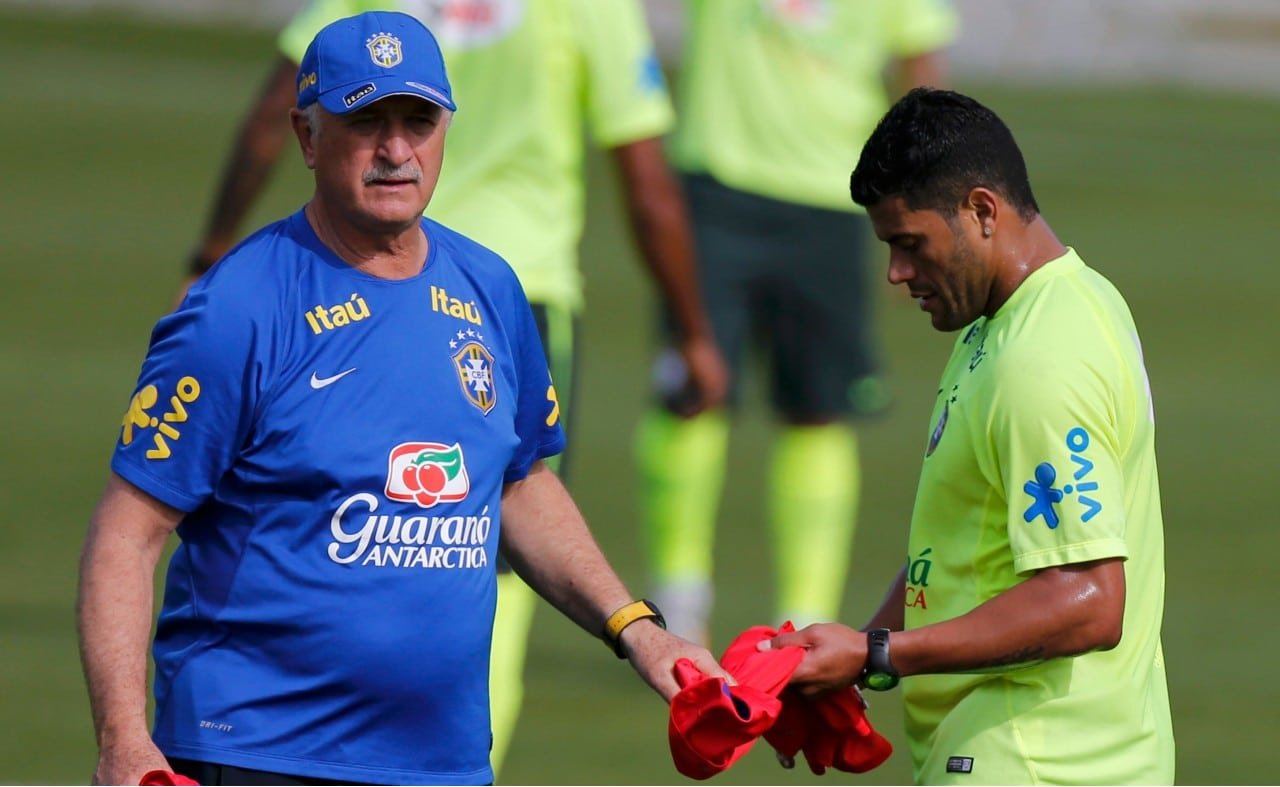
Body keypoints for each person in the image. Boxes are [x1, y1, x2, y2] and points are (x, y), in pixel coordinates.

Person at [76, 12, 727, 785]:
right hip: (258, 753)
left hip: (441, 764)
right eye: (366, 121)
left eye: (418, 121)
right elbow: (129, 530)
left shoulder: (491, 290)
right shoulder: (237, 309)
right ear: (309, 136)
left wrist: (640, 631)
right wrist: (123, 736)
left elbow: (520, 483)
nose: (396, 150)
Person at [766, 88, 1175, 785]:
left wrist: (878, 652)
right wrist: (859, 660)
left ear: (981, 211)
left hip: (1036, 758)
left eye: (909, 244)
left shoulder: (1040, 359)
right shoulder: (1033, 312)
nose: (897, 274)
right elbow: (953, 552)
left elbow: (1089, 600)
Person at [637, 0, 959, 644]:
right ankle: (676, 602)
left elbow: (919, 66)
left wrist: (928, 204)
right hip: (716, 187)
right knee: (693, 392)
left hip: (833, 198)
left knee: (820, 408)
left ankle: (806, 622)